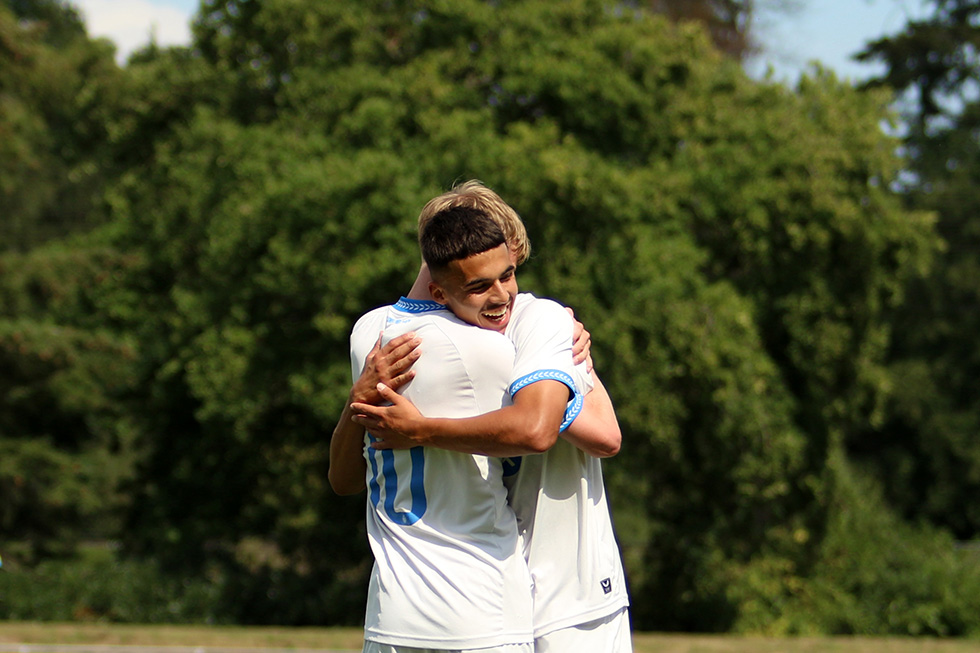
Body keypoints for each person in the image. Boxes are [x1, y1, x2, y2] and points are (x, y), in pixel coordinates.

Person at [350, 183, 631, 653]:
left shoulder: (535, 322)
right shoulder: (447, 338)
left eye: (507, 270)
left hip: (571, 592)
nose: (500, 293)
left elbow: (603, 436)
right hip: (498, 590)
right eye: (476, 280)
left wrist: (576, 363)